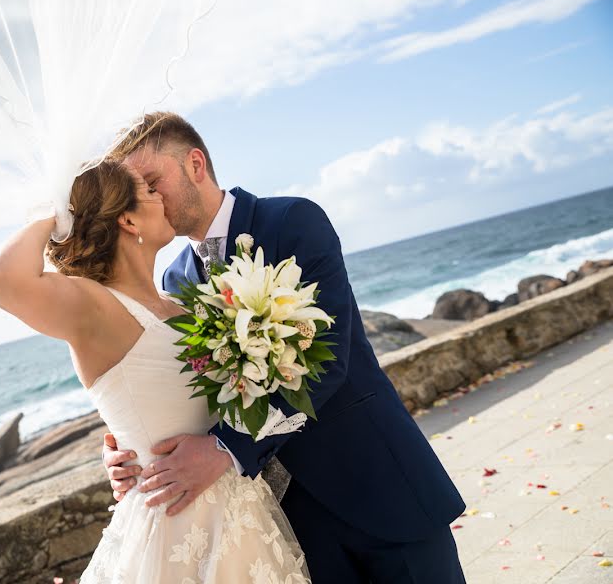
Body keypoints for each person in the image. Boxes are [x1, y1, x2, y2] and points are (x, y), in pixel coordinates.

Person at [102, 112, 467, 583]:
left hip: (376, 485)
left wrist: (223, 451)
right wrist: (127, 452)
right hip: (287, 525)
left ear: (195, 164)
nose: (148, 200)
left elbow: (328, 359)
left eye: (153, 181)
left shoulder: (291, 221)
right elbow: (185, 393)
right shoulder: (174, 281)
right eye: (139, 193)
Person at [0, 161, 311, 582]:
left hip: (241, 518)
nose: (162, 198)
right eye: (150, 191)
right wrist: (55, 210)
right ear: (127, 219)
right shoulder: (97, 308)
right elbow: (3, 282)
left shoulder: (185, 303)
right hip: (174, 533)